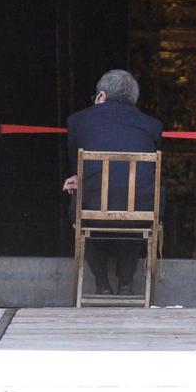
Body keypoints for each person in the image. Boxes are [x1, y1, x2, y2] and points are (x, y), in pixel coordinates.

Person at [62, 69, 162, 296]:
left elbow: (75, 163)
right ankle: (126, 283)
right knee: (137, 201)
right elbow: (152, 168)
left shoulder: (78, 120)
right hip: (140, 210)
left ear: (102, 95)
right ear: (134, 99)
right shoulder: (152, 125)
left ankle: (102, 283)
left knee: (82, 203)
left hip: (92, 205)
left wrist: (80, 177)